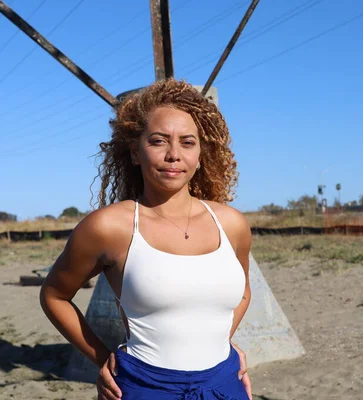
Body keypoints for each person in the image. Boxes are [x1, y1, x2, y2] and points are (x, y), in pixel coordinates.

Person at [40, 79, 253, 400]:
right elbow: (54, 296)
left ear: (200, 155)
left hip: (225, 383)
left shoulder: (232, 223)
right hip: (143, 386)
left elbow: (244, 294)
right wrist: (102, 359)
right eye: (158, 141)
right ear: (135, 152)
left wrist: (223, 342)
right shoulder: (108, 227)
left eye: (187, 142)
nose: (173, 155)